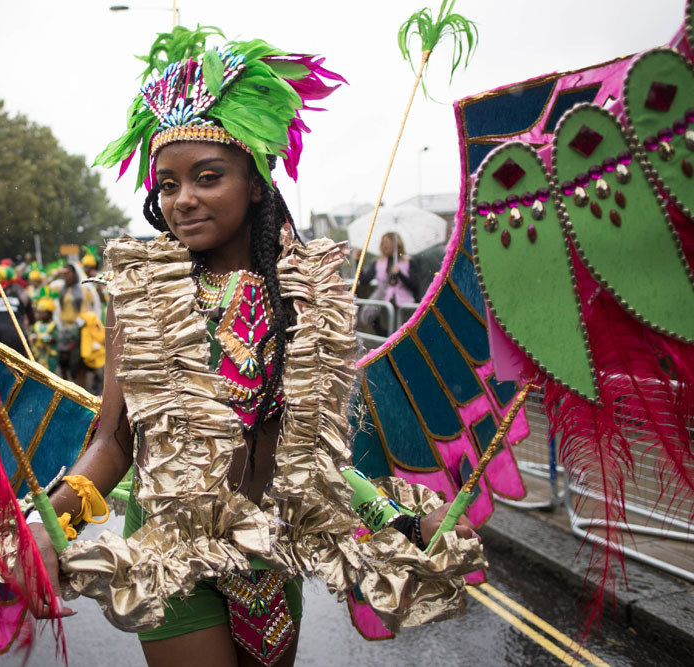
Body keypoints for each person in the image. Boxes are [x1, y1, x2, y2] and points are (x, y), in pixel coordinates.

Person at [27, 28, 483, 667]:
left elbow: (306, 458)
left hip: (271, 551)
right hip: (168, 553)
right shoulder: (142, 294)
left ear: (257, 184)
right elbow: (116, 443)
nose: (183, 199)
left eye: (207, 176)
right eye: (167, 185)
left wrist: (397, 519)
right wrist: (50, 526)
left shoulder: (304, 298)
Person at [355, 232, 419, 337]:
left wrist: (400, 274)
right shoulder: (378, 263)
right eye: (382, 243)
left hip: (403, 308)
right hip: (383, 308)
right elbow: (364, 280)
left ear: (396, 244)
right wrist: (358, 261)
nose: (384, 246)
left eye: (387, 243)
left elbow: (415, 284)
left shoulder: (408, 262)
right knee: (384, 336)